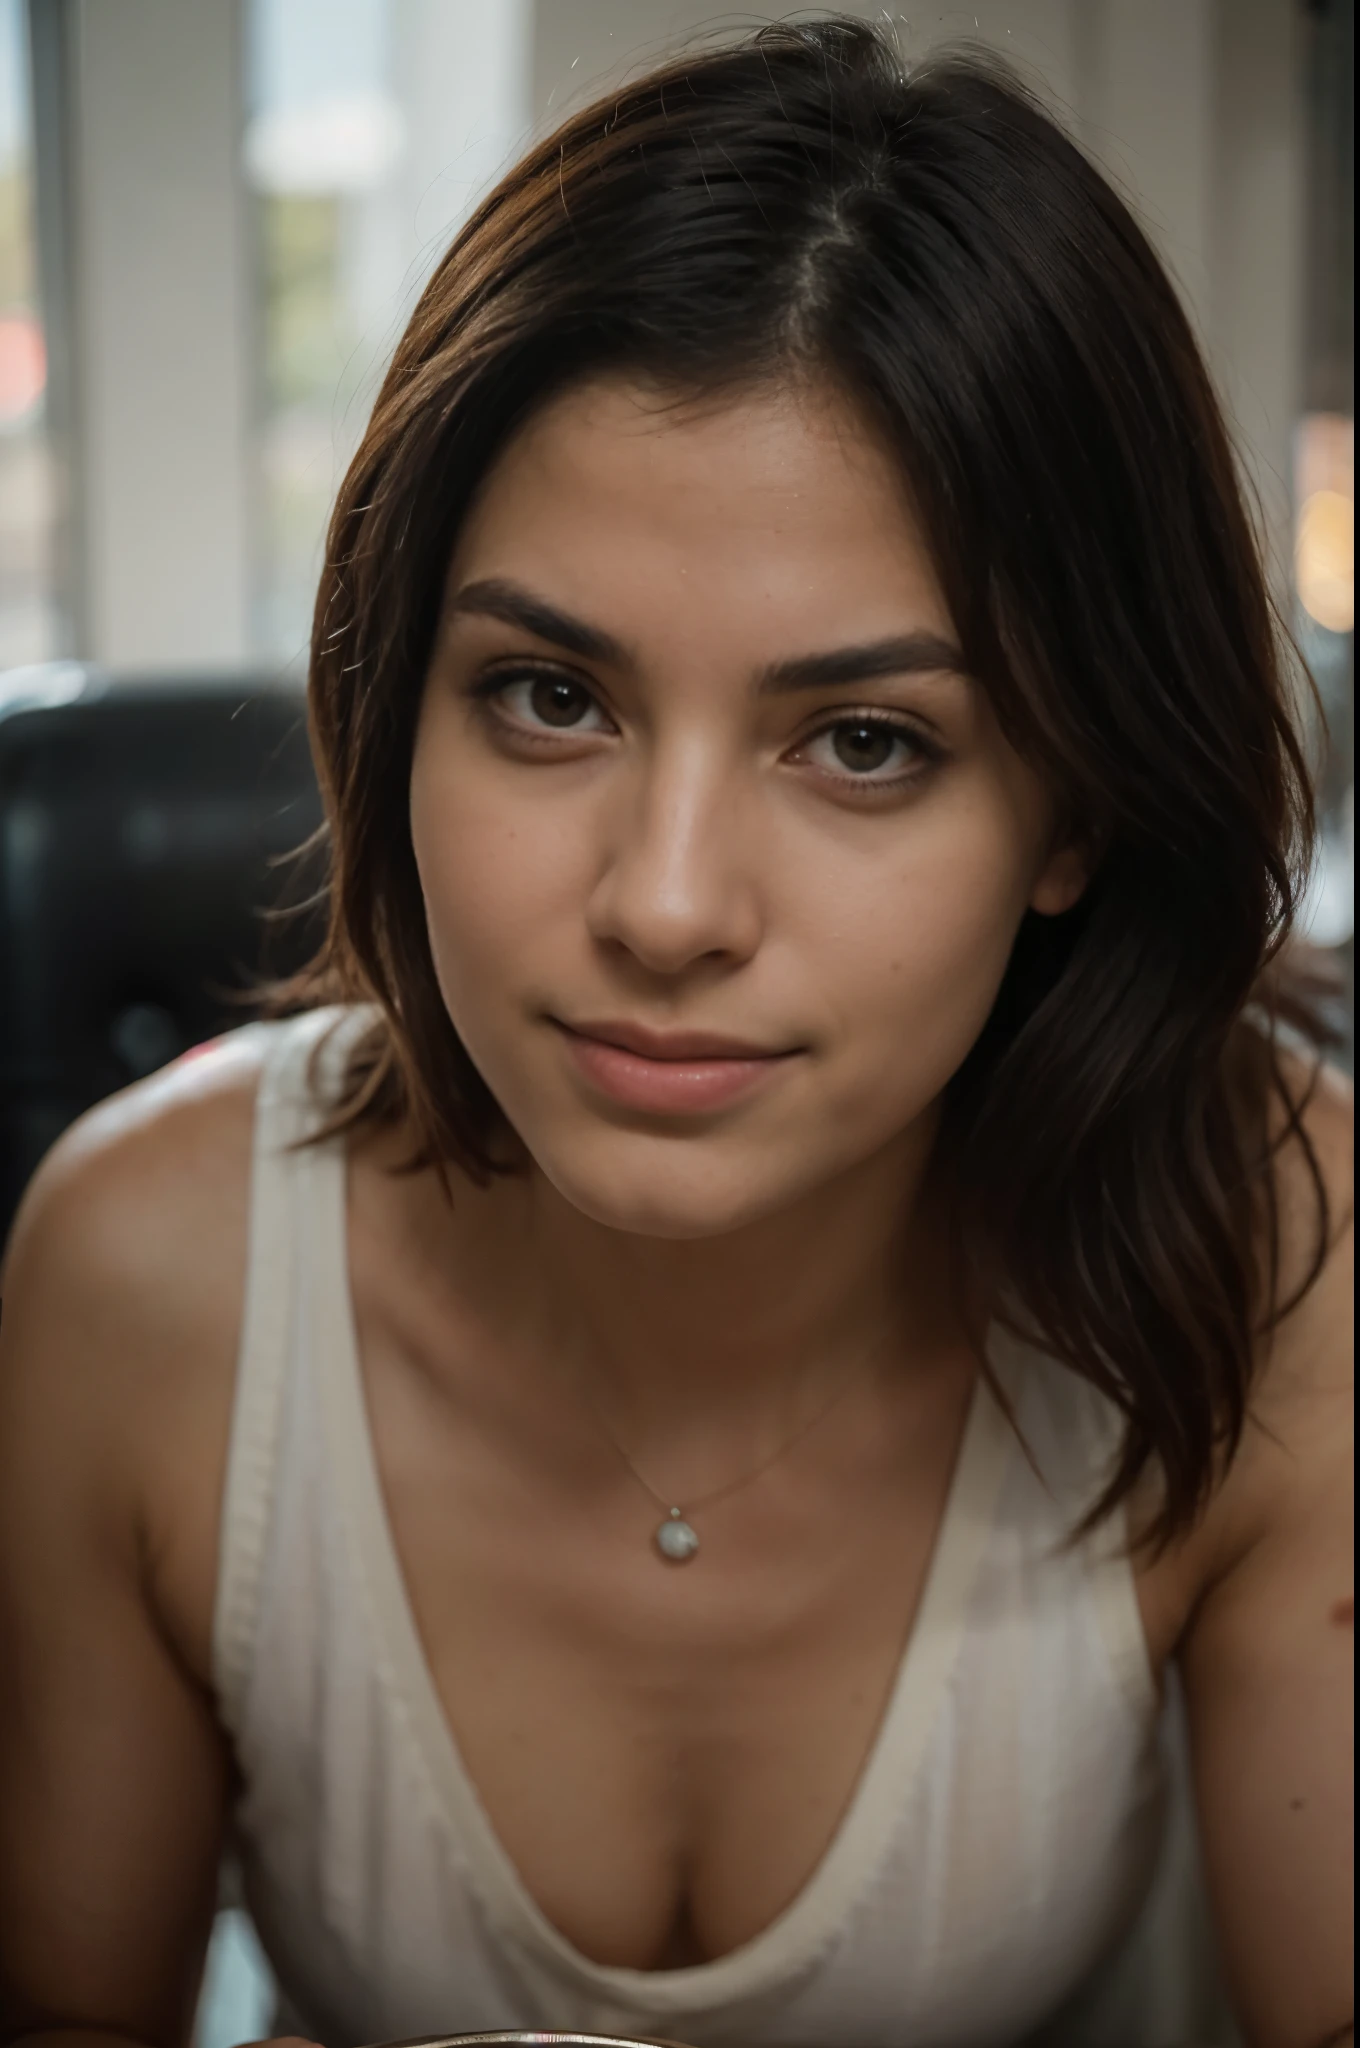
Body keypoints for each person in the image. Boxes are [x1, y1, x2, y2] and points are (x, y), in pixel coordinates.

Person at [0, 17, 1352, 2048]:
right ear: (393, 702)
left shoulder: (1282, 1256)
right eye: (551, 696)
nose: (661, 902)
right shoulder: (146, 1275)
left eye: (865, 741)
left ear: (1069, 806)